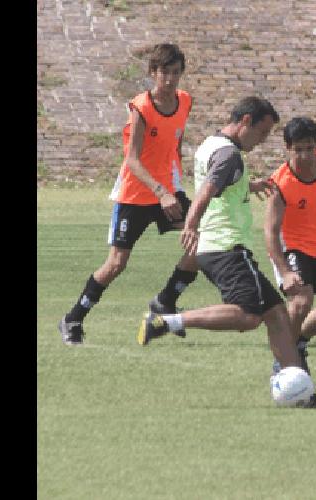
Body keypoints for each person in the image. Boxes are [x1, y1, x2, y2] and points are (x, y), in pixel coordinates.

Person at [137, 96, 306, 389]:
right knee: (249, 315)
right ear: (245, 122)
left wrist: (246, 185)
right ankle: (167, 321)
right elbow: (206, 192)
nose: (262, 140)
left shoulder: (210, 145)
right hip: (226, 246)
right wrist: (190, 225)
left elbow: (219, 183)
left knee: (276, 314)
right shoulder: (229, 155)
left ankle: (297, 386)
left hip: (217, 246)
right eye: (262, 132)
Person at [59, 43, 202, 346]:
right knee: (116, 264)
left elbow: (173, 145)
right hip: (135, 196)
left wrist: (175, 184)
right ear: (153, 72)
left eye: (176, 73)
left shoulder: (185, 102)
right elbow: (132, 159)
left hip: (167, 193)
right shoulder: (142, 107)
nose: (170, 79)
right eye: (164, 72)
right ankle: (73, 318)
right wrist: (161, 191)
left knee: (201, 240)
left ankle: (165, 301)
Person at [263, 117, 316, 406]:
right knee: (301, 301)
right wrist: (286, 272)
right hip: (292, 245)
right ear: (287, 148)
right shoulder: (281, 183)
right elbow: (271, 234)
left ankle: (296, 341)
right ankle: (284, 364)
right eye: (297, 149)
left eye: (309, 148)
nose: (304, 155)